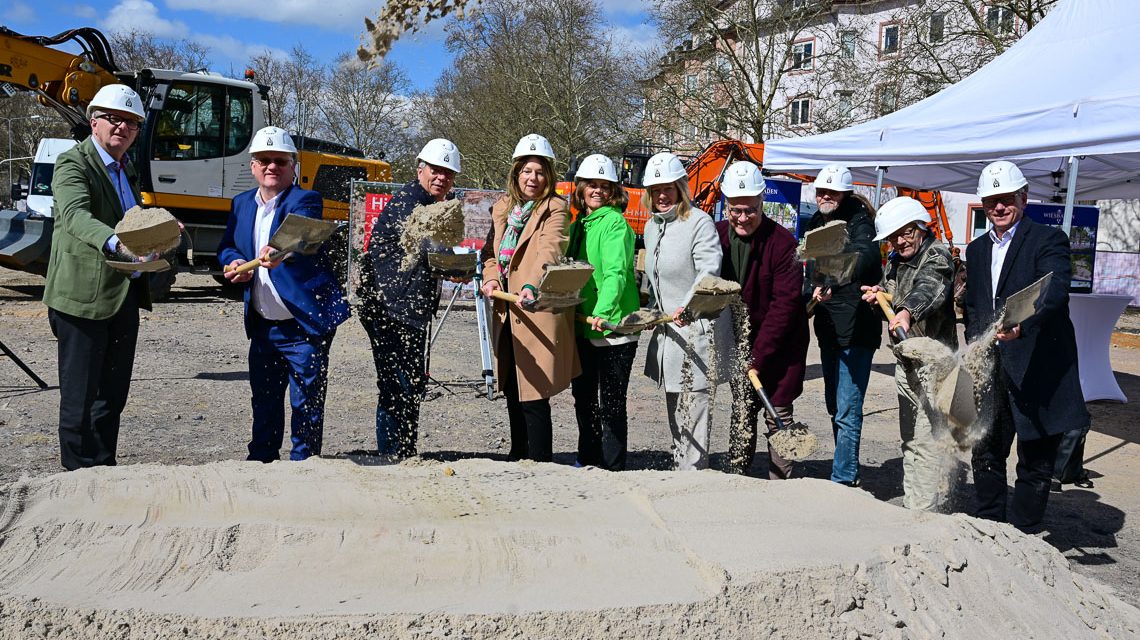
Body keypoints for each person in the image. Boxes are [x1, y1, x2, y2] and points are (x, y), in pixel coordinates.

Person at [963, 160, 1089, 531]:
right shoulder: (976, 250)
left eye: (1006, 199)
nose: (998, 208)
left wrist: (1023, 325)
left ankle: (1024, 536)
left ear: (1024, 197)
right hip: (993, 366)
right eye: (990, 201)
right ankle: (990, 528)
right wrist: (975, 346)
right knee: (985, 451)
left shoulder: (1048, 240)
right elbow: (974, 305)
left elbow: (1053, 292)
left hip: (1036, 365)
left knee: (1034, 459)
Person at [218, 126, 349, 462]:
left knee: (306, 401)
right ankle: (261, 461)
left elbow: (300, 234)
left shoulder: (305, 199)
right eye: (264, 160)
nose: (271, 166)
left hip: (302, 324)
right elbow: (228, 245)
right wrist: (232, 259)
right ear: (252, 165)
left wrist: (279, 250)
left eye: (280, 161)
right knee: (264, 398)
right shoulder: (240, 204)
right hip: (263, 325)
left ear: (294, 167)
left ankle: (304, 466)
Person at [44, 84, 154, 470]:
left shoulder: (127, 169)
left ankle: (104, 472)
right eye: (114, 119)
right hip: (81, 299)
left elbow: (132, 223)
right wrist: (115, 244)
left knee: (112, 395)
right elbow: (75, 217)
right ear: (95, 121)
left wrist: (157, 235)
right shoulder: (74, 163)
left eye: (132, 123)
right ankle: (76, 479)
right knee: (79, 397)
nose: (122, 127)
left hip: (123, 295)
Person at [359, 138, 461, 459]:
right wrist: (457, 264)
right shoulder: (411, 203)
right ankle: (393, 456)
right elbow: (433, 246)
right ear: (421, 170)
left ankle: (404, 453)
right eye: (435, 170)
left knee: (410, 386)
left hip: (407, 309)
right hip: (388, 310)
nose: (441, 177)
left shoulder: (428, 203)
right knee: (396, 387)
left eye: (448, 173)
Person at [479, 134, 578, 462]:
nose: (532, 178)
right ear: (516, 174)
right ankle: (517, 453)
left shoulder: (555, 208)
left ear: (547, 175)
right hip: (506, 310)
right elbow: (490, 253)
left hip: (533, 308)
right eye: (526, 171)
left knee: (533, 393)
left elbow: (549, 250)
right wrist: (491, 279)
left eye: (538, 172)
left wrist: (532, 285)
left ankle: (539, 460)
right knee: (511, 387)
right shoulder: (503, 208)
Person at [861, 197, 958, 511]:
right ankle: (915, 504)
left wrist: (905, 312)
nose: (899, 241)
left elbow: (930, 287)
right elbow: (894, 291)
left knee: (929, 441)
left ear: (920, 227)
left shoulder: (938, 254)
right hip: (907, 363)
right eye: (892, 237)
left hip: (935, 366)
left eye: (905, 233)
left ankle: (925, 511)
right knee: (911, 441)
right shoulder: (896, 258)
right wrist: (881, 297)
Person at [715, 162, 809, 479]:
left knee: (777, 411)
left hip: (781, 345)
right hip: (742, 343)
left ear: (761, 204)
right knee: (742, 411)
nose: (742, 218)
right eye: (735, 210)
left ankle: (780, 484)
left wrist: (757, 357)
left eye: (750, 210)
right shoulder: (716, 238)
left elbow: (784, 308)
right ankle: (738, 478)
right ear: (725, 205)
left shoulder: (783, 245)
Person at [642, 151, 723, 471]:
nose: (662, 195)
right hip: (668, 339)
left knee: (693, 419)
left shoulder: (699, 223)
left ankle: (692, 486)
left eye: (668, 188)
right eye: (656, 190)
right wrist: (650, 309)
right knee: (677, 417)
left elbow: (708, 273)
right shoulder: (651, 226)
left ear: (681, 188)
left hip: (694, 337)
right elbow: (657, 278)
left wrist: (687, 306)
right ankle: (683, 474)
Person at [804, 164, 882, 487]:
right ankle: (845, 465)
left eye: (831, 192)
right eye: (821, 191)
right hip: (829, 329)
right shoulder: (814, 222)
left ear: (845, 194)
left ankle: (844, 477)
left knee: (848, 407)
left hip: (857, 329)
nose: (824, 197)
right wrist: (811, 291)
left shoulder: (860, 223)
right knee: (834, 405)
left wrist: (836, 273)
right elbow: (808, 269)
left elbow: (866, 256)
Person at [566, 154, 640, 470]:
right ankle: (588, 459)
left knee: (610, 404)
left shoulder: (615, 223)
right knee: (584, 400)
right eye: (591, 184)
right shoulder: (577, 225)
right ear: (580, 188)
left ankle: (612, 466)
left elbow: (616, 272)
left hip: (613, 330)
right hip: (583, 327)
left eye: (603, 185)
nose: (596, 190)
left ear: (612, 190)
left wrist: (604, 312)